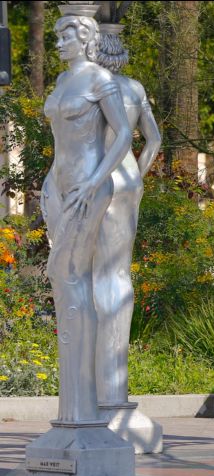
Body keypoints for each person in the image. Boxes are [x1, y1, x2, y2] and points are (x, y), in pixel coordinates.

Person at [41, 10, 132, 424]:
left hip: (88, 189)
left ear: (85, 37)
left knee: (70, 278)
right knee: (65, 281)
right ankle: (75, 405)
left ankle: (81, 409)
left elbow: (125, 135)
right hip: (60, 188)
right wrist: (48, 181)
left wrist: (97, 181)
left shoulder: (100, 79)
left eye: (65, 36)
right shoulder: (63, 81)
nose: (58, 43)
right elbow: (60, 142)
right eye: (57, 36)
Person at [92, 22, 162, 411]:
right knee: (116, 274)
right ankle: (109, 384)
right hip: (127, 180)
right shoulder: (135, 88)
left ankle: (104, 386)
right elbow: (153, 139)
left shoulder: (91, 86)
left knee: (96, 277)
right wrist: (138, 174)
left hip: (96, 180)